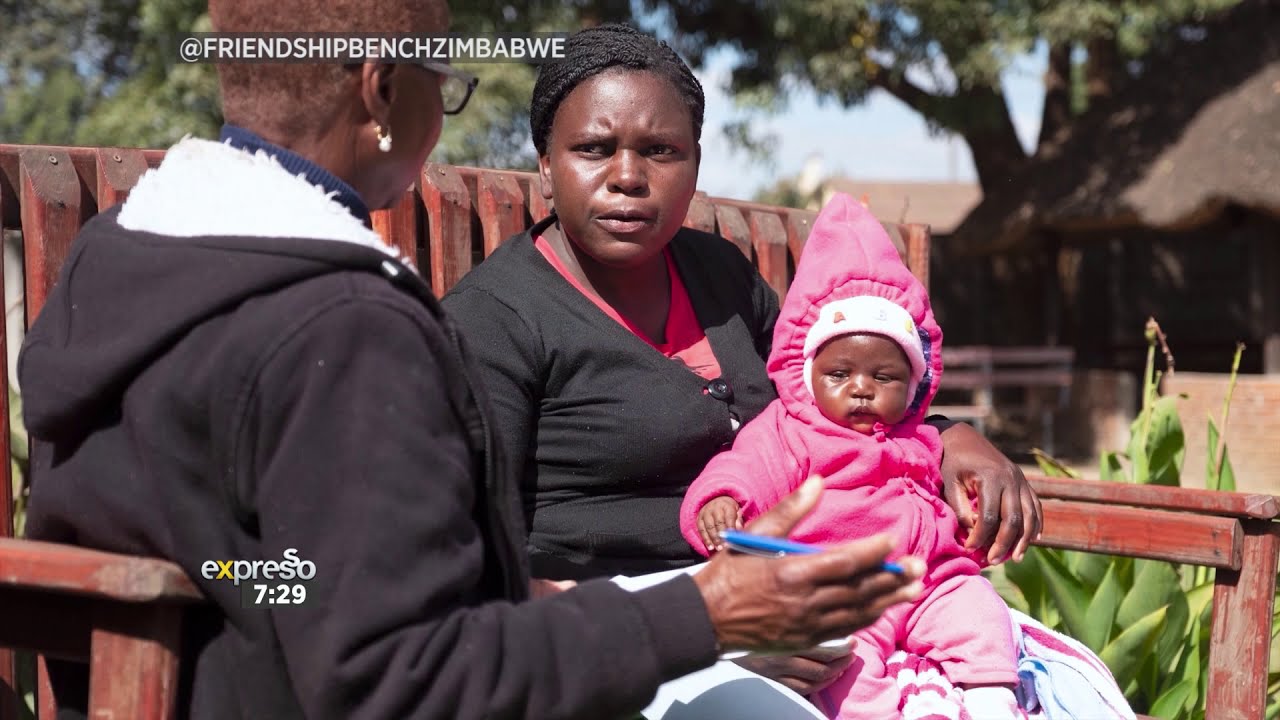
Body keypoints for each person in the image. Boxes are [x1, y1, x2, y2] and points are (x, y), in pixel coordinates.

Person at [15, 2, 926, 719]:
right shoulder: (344, 330)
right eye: (439, 82)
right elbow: (396, 673)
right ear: (379, 91)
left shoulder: (129, 258)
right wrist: (708, 617)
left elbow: (262, 571)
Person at [441, 23, 1042, 694]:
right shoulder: (495, 320)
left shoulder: (718, 275)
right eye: (593, 149)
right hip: (616, 632)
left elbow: (835, 387)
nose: (628, 177)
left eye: (660, 150)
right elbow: (466, 557)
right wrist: (701, 636)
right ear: (546, 166)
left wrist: (951, 435)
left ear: (694, 166)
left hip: (799, 592)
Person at [680, 193, 1021, 719]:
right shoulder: (790, 432)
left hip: (930, 581)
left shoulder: (920, 437)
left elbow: (953, 498)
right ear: (807, 372)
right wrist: (721, 501)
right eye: (839, 375)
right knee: (845, 666)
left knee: (980, 613)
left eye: (883, 377)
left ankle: (991, 698)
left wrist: (972, 518)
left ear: (913, 384)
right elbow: (741, 466)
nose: (861, 389)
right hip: (842, 589)